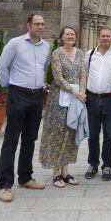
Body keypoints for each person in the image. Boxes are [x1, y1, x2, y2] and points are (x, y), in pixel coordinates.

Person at [0, 13, 49, 203]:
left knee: (30, 139)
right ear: (28, 26)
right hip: (18, 94)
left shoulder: (46, 47)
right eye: (37, 24)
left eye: (42, 24)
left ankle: (25, 177)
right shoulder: (15, 44)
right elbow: (1, 67)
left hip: (36, 97)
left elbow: (44, 68)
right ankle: (5, 184)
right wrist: (10, 87)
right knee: (11, 140)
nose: (40, 27)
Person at [38, 26, 88, 188]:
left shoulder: (80, 53)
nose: (70, 36)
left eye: (73, 34)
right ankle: (56, 173)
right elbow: (58, 78)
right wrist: (76, 92)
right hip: (59, 99)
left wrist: (82, 92)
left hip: (75, 99)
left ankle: (65, 173)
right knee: (57, 135)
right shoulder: (57, 53)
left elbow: (83, 75)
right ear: (62, 37)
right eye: (67, 34)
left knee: (71, 134)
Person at [84, 26, 111, 181]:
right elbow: (85, 75)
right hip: (92, 99)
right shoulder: (89, 55)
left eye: (108, 36)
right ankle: (93, 164)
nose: (105, 38)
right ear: (98, 37)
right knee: (93, 135)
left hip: (110, 100)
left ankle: (107, 165)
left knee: (109, 135)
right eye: (103, 36)